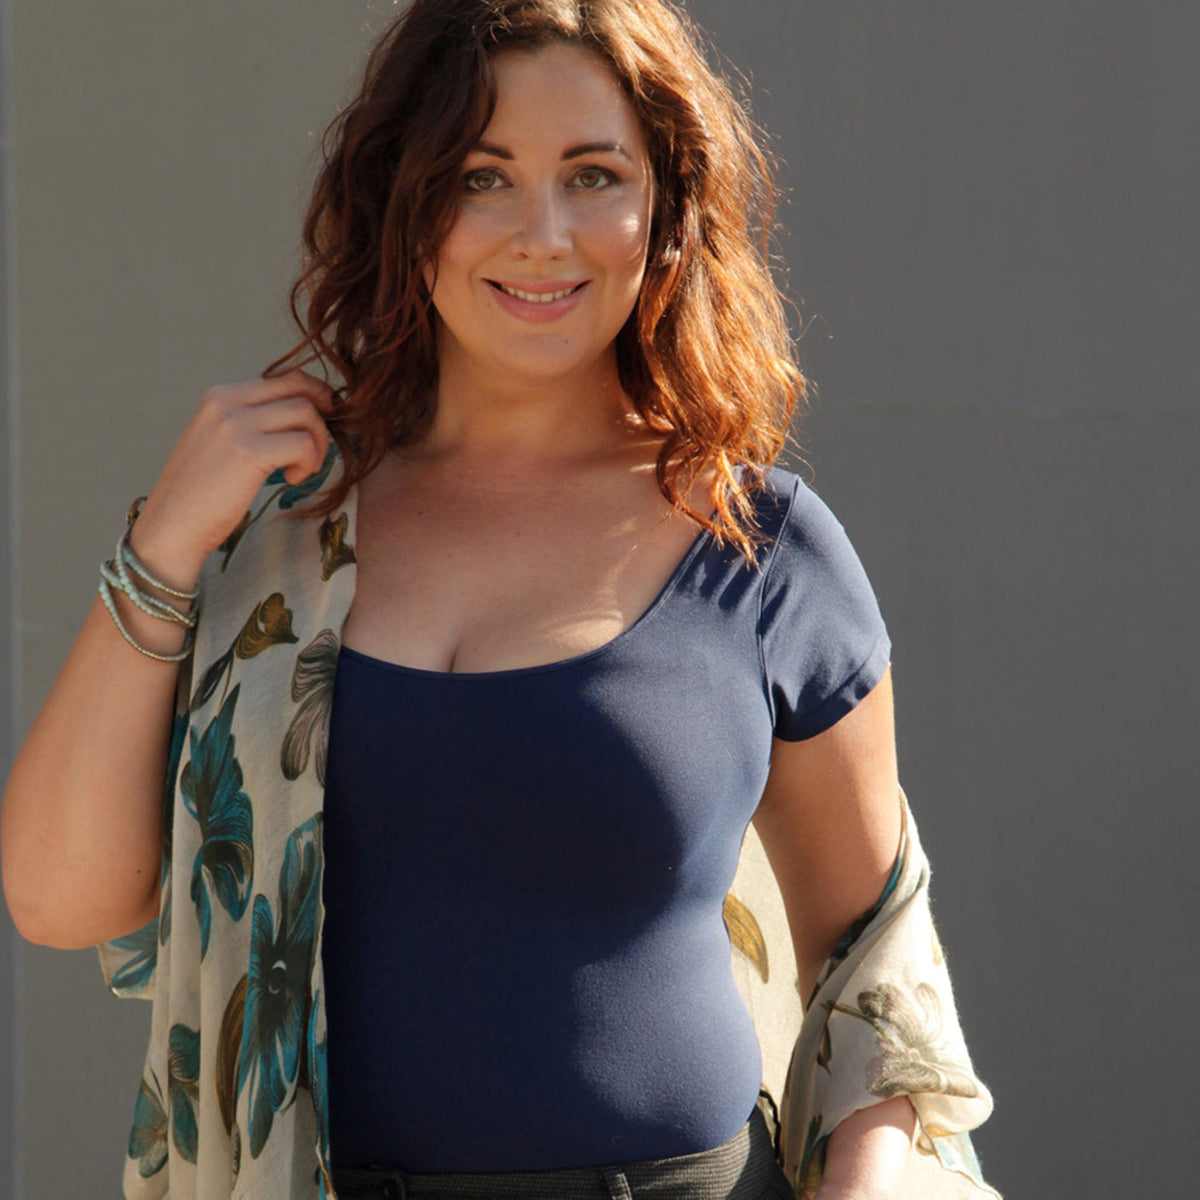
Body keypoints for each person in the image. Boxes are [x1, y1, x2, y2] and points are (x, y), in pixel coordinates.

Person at [1, 2, 997, 1198]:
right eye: (484, 175)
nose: (543, 234)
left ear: (665, 212)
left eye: (594, 176)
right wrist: (163, 543)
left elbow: (871, 955)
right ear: (405, 205)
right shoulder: (278, 543)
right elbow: (58, 898)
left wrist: (867, 1182)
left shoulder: (759, 544)